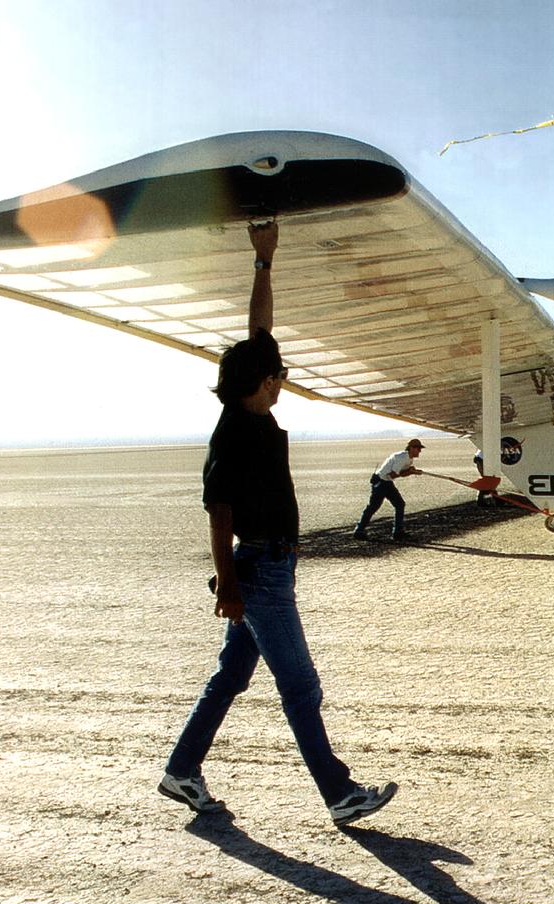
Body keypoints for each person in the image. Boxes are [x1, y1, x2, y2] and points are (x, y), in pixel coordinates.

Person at [159, 221, 396, 827]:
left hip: (266, 567)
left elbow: (258, 329)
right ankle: (340, 794)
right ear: (263, 383)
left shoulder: (250, 398)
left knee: (228, 679)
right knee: (301, 687)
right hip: (259, 572)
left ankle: (181, 771)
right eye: (279, 375)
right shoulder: (233, 434)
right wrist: (229, 585)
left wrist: (263, 260)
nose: (284, 379)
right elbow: (218, 513)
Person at [352, 439, 425, 540]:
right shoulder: (402, 457)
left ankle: (398, 532)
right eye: (418, 449)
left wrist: (411, 471)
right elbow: (393, 475)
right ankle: (359, 530)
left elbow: (399, 473)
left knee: (399, 504)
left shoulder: (409, 458)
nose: (419, 451)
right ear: (411, 448)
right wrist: (410, 472)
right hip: (381, 482)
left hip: (386, 482)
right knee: (373, 507)